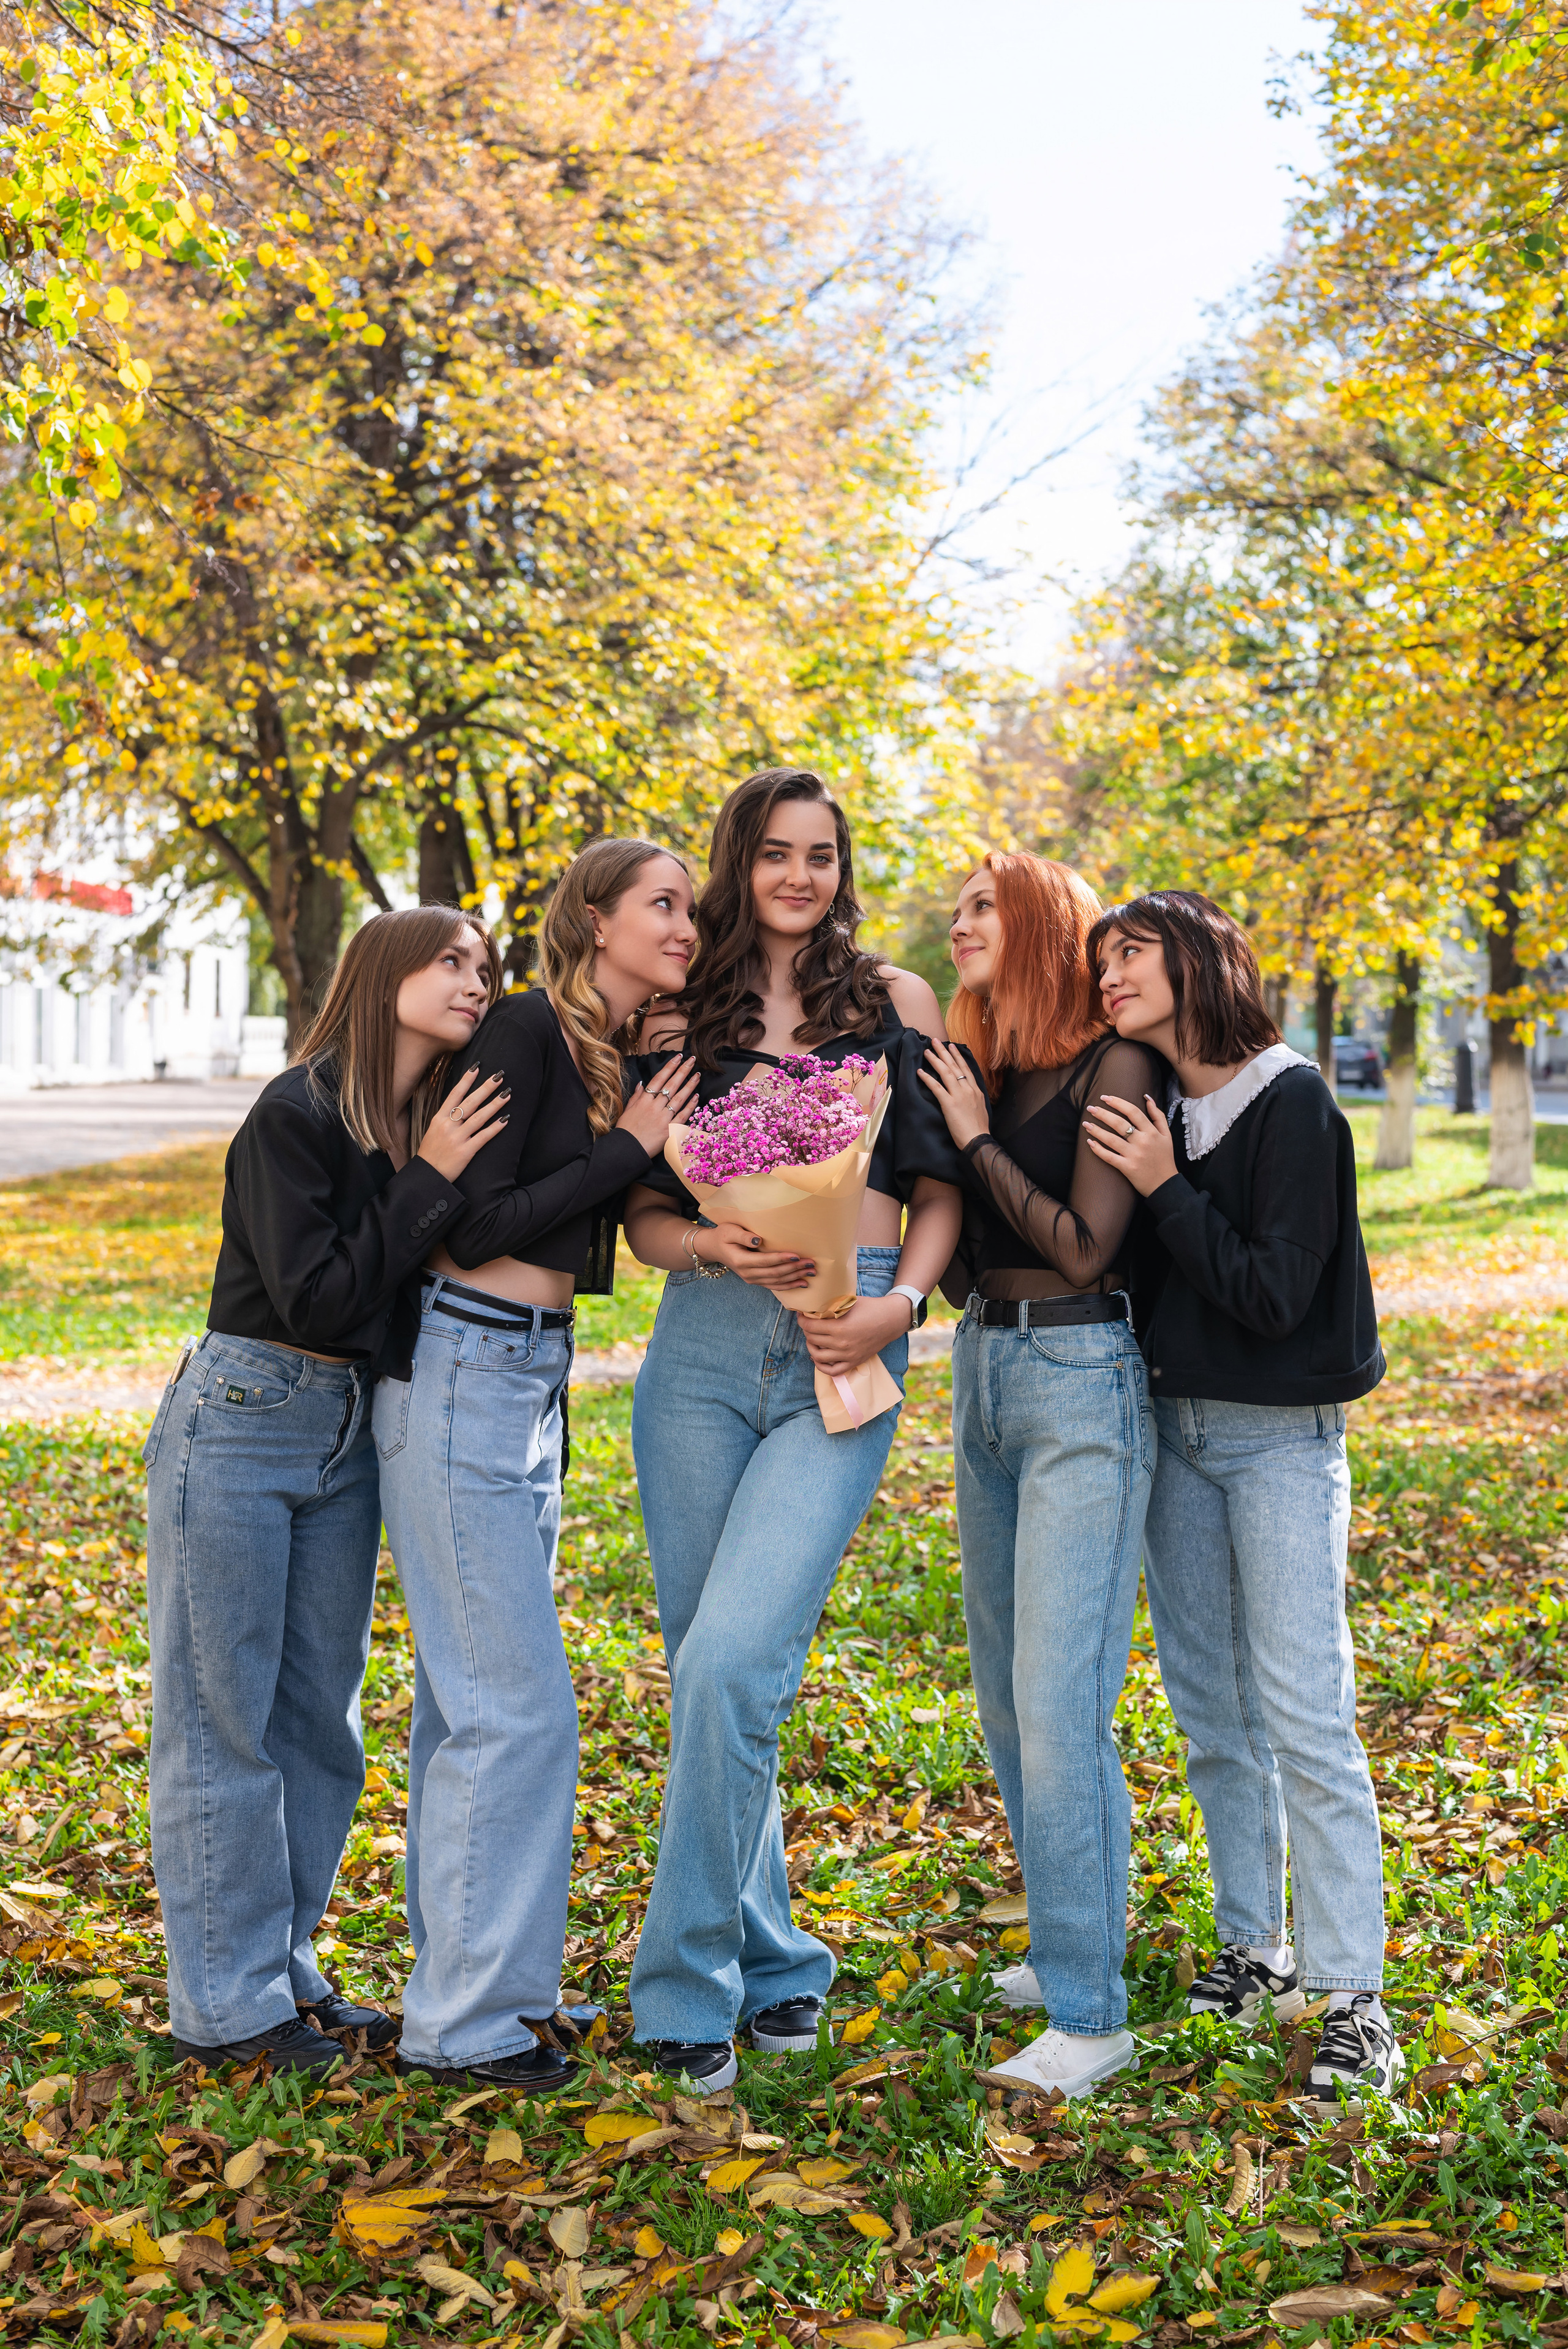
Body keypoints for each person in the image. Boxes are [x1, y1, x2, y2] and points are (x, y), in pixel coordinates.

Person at [621, 766, 964, 2090]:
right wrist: (703, 1242)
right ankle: (778, 1962)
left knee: (730, 1666)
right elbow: (640, 1217)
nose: (798, 877)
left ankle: (682, 1991)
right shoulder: (675, 1006)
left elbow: (937, 1189)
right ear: (737, 861)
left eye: (820, 854)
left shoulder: (894, 1004)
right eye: (773, 853)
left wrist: (902, 1308)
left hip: (846, 1340)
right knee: (713, 1665)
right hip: (701, 1354)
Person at [145, 906, 509, 2076]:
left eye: (484, 966)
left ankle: (284, 1965)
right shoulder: (297, 1112)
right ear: (383, 972)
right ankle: (224, 2006)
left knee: (318, 1718)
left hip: (351, 1430)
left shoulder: (419, 1123)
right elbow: (316, 1298)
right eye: (449, 960)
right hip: (246, 1416)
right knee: (222, 1718)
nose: (475, 979)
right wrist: (433, 1180)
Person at [374, 839, 699, 2095]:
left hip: (527, 1377)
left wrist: (647, 1106)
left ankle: (489, 1990)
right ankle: (459, 2026)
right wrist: (625, 1144)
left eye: (688, 911)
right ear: (595, 917)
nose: (682, 925)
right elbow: (465, 1218)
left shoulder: (601, 1053)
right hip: (462, 1367)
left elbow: (629, 1183)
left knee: (479, 1705)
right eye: (662, 906)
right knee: (514, 1707)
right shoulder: (516, 1028)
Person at [1082, 888, 1397, 2108]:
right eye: (1099, 958)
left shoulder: (1291, 1100)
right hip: (1172, 1433)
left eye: (1130, 953)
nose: (1108, 975)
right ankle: (1252, 1950)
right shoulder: (1154, 1101)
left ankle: (1352, 1999)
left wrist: (1162, 1185)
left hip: (1275, 1443)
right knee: (1210, 1714)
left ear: (1199, 960)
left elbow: (1270, 1296)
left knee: (1305, 1716)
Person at [919, 853, 1161, 2099]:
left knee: (1058, 1704)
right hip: (983, 1376)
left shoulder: (1109, 1070)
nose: (960, 925)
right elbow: (967, 1266)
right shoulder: (990, 1074)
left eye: (982, 909)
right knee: (1009, 1701)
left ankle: (1089, 2011)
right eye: (953, 908)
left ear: (1041, 930)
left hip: (1079, 1379)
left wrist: (969, 1139)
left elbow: (1076, 1252)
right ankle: (1083, 1931)